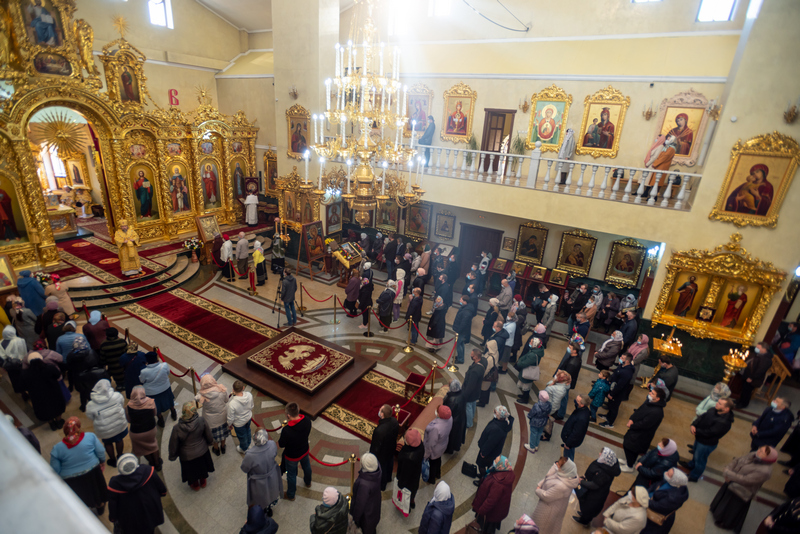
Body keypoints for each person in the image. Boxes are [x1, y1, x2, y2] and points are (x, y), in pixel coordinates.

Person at [710, 445, 777, 532]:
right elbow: (737, 460)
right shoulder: (754, 454)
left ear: (768, 458)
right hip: (731, 481)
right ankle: (716, 511)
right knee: (724, 498)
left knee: (732, 508)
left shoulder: (765, 471)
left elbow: (746, 480)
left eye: (762, 452)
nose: (758, 451)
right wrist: (728, 469)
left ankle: (726, 523)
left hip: (741, 490)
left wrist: (729, 475)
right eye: (760, 449)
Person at [50, 417, 107, 516]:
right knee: (97, 492)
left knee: (80, 497)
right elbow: (101, 451)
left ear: (65, 430)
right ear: (78, 427)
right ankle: (100, 507)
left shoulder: (57, 448)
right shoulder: (90, 436)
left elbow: (55, 469)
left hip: (71, 479)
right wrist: (102, 461)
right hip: (93, 473)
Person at [107, 453, 167, 534]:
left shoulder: (115, 484)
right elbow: (161, 487)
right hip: (149, 510)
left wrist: (113, 518)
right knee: (150, 529)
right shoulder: (147, 471)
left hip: (130, 517)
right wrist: (163, 493)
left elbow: (113, 504)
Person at [680, 397, 734, 481]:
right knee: (696, 454)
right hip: (700, 438)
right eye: (718, 402)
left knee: (700, 460)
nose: (716, 403)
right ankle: (691, 465)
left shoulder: (724, 422)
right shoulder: (713, 409)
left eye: (720, 403)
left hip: (706, 443)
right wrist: (694, 424)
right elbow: (702, 417)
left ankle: (694, 476)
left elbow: (710, 432)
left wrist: (696, 431)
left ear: (726, 409)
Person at [168, 402, 214, 491]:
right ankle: (203, 481)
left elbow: (173, 444)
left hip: (187, 456)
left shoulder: (177, 428)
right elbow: (208, 434)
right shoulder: (201, 420)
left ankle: (195, 485)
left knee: (192, 472)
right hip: (202, 450)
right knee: (202, 467)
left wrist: (172, 455)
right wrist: (210, 442)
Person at [621, 387, 667, 472]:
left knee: (629, 447)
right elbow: (639, 410)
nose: (649, 393)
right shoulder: (650, 402)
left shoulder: (657, 412)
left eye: (652, 393)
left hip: (641, 435)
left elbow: (644, 424)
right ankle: (629, 461)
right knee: (631, 448)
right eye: (651, 392)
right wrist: (632, 418)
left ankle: (629, 466)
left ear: (657, 398)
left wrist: (632, 425)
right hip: (636, 431)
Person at [574, 447, 622, 526]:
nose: (599, 454)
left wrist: (581, 482)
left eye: (602, 454)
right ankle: (584, 514)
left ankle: (584, 521)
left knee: (589, 508)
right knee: (586, 505)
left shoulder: (604, 474)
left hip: (596, 495)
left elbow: (594, 485)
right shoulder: (608, 465)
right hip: (594, 492)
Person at [533, 457, 582, 533]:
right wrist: (555, 466)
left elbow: (546, 496)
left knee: (540, 529)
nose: (557, 466)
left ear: (564, 469)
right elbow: (549, 477)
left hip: (548, 511)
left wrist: (538, 490)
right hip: (553, 506)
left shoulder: (561, 486)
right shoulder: (567, 474)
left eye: (559, 465)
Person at [86, 379, 128, 467]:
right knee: (119, 440)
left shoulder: (91, 404)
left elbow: (90, 417)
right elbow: (122, 404)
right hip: (118, 424)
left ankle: (112, 460)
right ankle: (120, 455)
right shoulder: (117, 396)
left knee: (108, 443)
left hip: (104, 429)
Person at [241, 429, 282, 514]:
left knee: (260, 497)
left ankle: (261, 511)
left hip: (258, 481)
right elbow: (274, 454)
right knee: (271, 492)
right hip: (272, 475)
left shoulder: (250, 454)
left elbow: (244, 468)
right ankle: (269, 508)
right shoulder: (272, 444)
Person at [22, 352, 66, 430]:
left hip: (38, 396)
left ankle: (51, 423)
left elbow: (24, 385)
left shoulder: (26, 373)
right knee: (57, 405)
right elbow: (58, 375)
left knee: (44, 409)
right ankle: (59, 421)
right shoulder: (50, 367)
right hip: (53, 391)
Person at [472, 455, 514, 534]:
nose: (494, 461)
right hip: (497, 510)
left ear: (500, 465)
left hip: (491, 513)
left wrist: (481, 511)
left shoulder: (498, 483)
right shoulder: (505, 472)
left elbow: (490, 501)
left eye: (496, 461)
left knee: (486, 528)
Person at [279, 401, 312, 501]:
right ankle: (308, 482)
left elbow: (281, 444)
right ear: (298, 410)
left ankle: (291, 494)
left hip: (292, 456)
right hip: (304, 450)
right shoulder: (307, 420)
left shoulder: (287, 430)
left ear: (288, 415)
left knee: (291, 475)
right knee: (306, 466)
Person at [641, 468, 689, 534]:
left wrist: (643, 500)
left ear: (674, 480)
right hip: (650, 501)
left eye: (668, 474)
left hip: (655, 518)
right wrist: (646, 492)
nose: (665, 473)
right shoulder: (670, 481)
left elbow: (657, 506)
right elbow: (655, 485)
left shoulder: (673, 498)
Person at [126, 385, 161, 470]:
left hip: (136, 432)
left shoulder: (128, 406)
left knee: (143, 449)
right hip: (150, 429)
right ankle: (157, 464)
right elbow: (155, 413)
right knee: (153, 445)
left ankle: (151, 462)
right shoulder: (150, 402)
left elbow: (128, 420)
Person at [476, 406, 514, 481]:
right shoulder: (505, 423)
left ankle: (483, 479)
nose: (494, 412)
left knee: (481, 465)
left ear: (499, 416)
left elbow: (490, 443)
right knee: (490, 465)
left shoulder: (496, 429)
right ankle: (485, 477)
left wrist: (483, 453)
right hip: (495, 451)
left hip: (488, 452)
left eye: (495, 412)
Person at [139, 351, 177, 426]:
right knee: (170, 401)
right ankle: (173, 413)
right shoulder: (164, 365)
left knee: (156, 406)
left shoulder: (144, 371)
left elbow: (142, 380)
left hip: (152, 392)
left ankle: (161, 420)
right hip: (165, 388)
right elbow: (167, 373)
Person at [195, 374, 229, 455]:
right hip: (223, 418)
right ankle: (223, 447)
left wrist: (202, 391)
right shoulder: (222, 390)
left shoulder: (202, 396)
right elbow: (226, 400)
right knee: (223, 434)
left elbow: (196, 398)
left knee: (214, 438)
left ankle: (216, 449)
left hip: (211, 422)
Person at [600, 353, 636, 428]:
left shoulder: (627, 373)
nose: (620, 358)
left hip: (617, 393)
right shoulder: (622, 365)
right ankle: (608, 416)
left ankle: (610, 422)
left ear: (627, 361)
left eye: (622, 358)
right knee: (610, 405)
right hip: (612, 388)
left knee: (614, 407)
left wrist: (612, 394)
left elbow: (620, 386)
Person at [736, 341, 775, 409]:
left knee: (747, 391)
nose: (756, 349)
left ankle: (744, 404)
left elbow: (760, 371)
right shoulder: (757, 354)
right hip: (747, 375)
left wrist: (751, 377)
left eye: (758, 348)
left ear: (764, 349)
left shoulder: (766, 359)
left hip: (752, 378)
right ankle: (740, 401)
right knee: (744, 389)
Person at [351, 452, 382, 534]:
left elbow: (360, 504)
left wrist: (355, 519)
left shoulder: (364, 484)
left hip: (366, 515)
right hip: (374, 508)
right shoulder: (377, 470)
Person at [370, 404, 399, 490]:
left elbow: (375, 445)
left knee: (382, 467)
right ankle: (388, 478)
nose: (379, 410)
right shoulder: (394, 421)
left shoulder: (379, 430)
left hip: (382, 453)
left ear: (382, 414)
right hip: (391, 448)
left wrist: (372, 455)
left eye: (380, 409)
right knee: (390, 463)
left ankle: (382, 485)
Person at [423, 404, 452, 484]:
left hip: (434, 449)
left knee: (432, 463)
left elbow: (431, 443)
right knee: (438, 460)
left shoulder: (435, 428)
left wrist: (426, 454)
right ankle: (438, 474)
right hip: (442, 445)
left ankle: (431, 479)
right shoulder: (450, 418)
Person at [397, 428, 424, 509]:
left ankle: (406, 507)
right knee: (414, 489)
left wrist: (400, 484)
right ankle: (412, 501)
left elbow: (404, 473)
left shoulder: (408, 457)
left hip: (407, 479)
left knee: (406, 493)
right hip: (416, 474)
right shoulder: (420, 445)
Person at [554, 342, 582, 419]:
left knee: (563, 398)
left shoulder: (572, 363)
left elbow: (566, 375)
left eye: (570, 348)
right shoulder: (576, 357)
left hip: (565, 383)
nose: (568, 349)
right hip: (567, 382)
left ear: (574, 351)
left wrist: (560, 373)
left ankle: (560, 414)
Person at [561, 394, 590, 461]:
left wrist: (568, 444)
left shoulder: (582, 418)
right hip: (571, 439)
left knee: (568, 456)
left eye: (577, 401)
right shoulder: (583, 410)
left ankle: (566, 464)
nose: (575, 401)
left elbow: (576, 434)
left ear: (582, 404)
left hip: (571, 441)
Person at [515, 336, 544, 404]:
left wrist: (519, 362)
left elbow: (524, 363)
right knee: (526, 386)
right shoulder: (536, 351)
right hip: (529, 369)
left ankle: (525, 399)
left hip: (528, 372)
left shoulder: (533, 355)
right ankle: (524, 396)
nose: (529, 343)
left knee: (526, 386)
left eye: (531, 342)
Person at [228, 380, 254, 453]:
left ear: (233, 390)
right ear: (243, 387)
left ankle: (244, 448)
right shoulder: (249, 395)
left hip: (239, 424)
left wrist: (229, 424)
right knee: (248, 430)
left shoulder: (232, 404)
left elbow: (230, 417)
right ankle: (249, 443)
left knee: (242, 436)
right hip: (248, 418)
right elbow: (252, 406)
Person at [99, 327, 127, 392]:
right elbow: (126, 353)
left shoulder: (104, 344)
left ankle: (119, 386)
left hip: (112, 366)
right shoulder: (122, 342)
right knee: (123, 375)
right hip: (122, 365)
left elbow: (102, 358)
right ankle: (124, 385)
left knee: (116, 377)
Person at [463, 348, 485, 429]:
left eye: (472, 355)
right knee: (473, 404)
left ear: (475, 357)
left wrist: (465, 395)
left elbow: (470, 385)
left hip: (471, 393)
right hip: (476, 391)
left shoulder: (474, 371)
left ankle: (469, 423)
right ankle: (471, 417)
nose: (470, 355)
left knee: (468, 407)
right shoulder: (482, 364)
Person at [443, 379, 466, 454]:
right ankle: (456, 447)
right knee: (457, 435)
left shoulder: (451, 399)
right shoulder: (462, 394)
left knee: (451, 436)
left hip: (453, 420)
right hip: (461, 417)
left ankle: (449, 450)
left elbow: (448, 410)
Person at [453, 295, 474, 364]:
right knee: (461, 344)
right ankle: (460, 356)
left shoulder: (466, 312)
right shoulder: (465, 308)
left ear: (465, 301)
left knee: (458, 344)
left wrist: (458, 331)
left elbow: (463, 323)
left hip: (461, 331)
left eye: (461, 300)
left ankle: (460, 359)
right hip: (462, 330)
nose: (459, 300)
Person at [479, 338, 501, 405]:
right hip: (491, 374)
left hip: (487, 375)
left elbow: (487, 369)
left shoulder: (491, 358)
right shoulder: (496, 352)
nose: (487, 347)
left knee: (484, 388)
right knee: (487, 388)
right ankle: (485, 400)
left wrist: (482, 376)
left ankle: (482, 402)